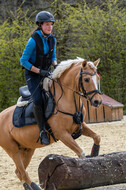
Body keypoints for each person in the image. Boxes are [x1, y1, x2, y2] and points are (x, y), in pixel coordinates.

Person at [20, 11, 57, 145]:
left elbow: (53, 57)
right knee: (38, 99)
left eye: (51, 24)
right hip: (33, 75)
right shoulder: (33, 40)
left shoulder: (53, 39)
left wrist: (56, 67)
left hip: (46, 73)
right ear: (40, 25)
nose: (49, 27)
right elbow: (23, 61)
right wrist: (39, 71)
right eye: (47, 24)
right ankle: (42, 131)